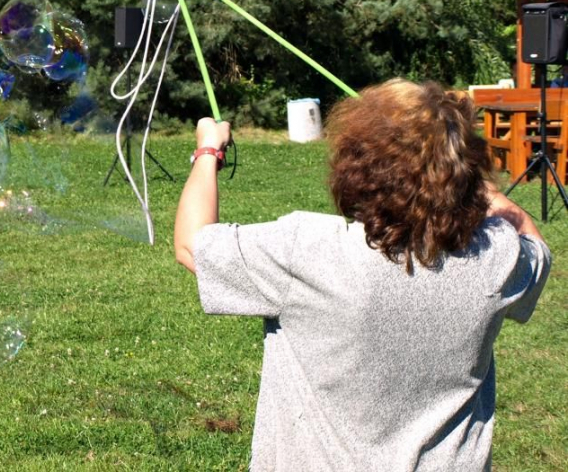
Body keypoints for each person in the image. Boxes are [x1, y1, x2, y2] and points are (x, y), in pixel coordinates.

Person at [173, 79, 551, 471]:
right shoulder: (495, 258)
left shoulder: (308, 250)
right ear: (465, 171)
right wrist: (468, 175)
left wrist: (208, 149)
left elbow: (192, 243)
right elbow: (535, 246)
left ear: (356, 168)